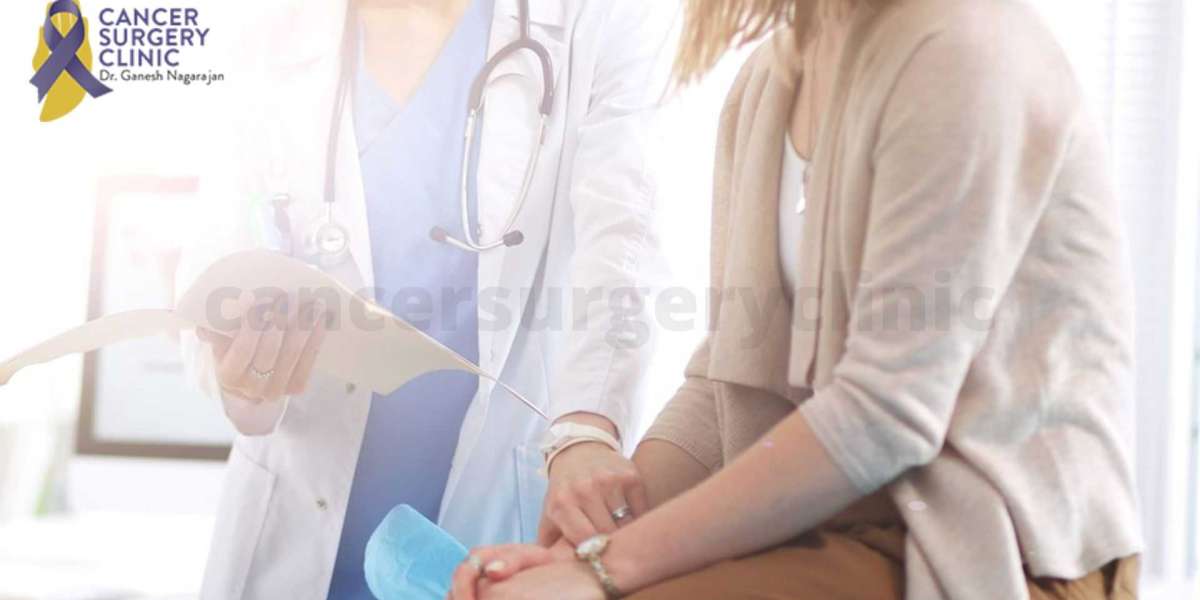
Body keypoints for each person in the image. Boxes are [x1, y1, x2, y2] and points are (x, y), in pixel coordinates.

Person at [449, 0, 1144, 598]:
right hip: (842, 530)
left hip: (998, 552)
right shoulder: (771, 78)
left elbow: (883, 414)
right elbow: (727, 378)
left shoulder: (960, 48)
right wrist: (580, 550)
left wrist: (605, 569)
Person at [177, 0, 674, 597]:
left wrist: (588, 425)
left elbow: (626, 233)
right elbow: (214, 269)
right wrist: (242, 374)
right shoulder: (269, 32)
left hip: (497, 507)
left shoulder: (596, 19)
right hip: (298, 520)